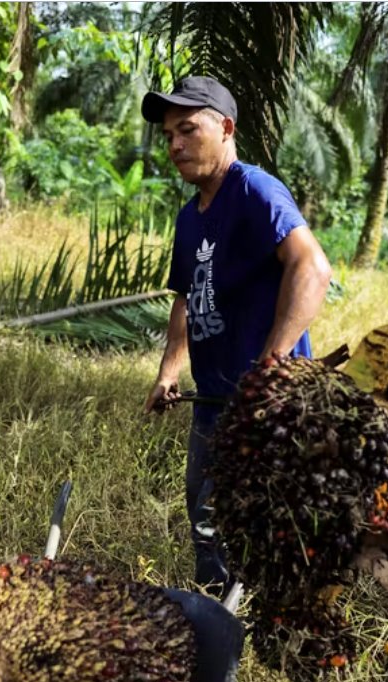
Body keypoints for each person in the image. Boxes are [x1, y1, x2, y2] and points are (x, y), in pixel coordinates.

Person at [140, 76, 333, 593]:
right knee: (205, 523)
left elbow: (312, 268)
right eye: (169, 135)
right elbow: (187, 297)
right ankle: (216, 614)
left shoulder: (254, 191)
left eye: (188, 130)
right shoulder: (189, 218)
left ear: (225, 128)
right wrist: (168, 372)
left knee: (262, 528)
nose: (175, 145)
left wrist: (271, 364)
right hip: (213, 402)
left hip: (268, 407)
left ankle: (266, 618)